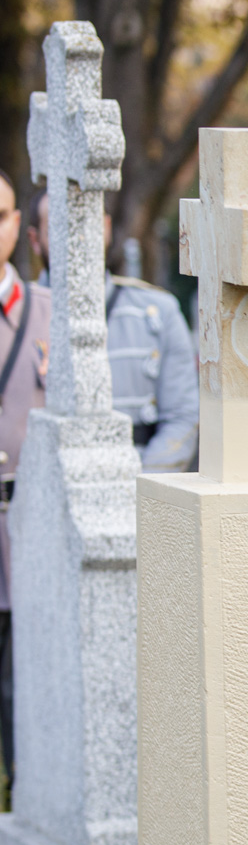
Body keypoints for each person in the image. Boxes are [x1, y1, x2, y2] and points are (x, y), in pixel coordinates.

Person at [29, 189, 197, 472]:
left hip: (135, 493)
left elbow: (183, 418)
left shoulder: (158, 312)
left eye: (87, 222)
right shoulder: (18, 318)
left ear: (106, 226)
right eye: (59, 226)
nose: (76, 237)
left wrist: (136, 495)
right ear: (35, 240)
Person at [0, 170, 47, 786]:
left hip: (33, 522)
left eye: (1, 213)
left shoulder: (53, 314)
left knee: (34, 681)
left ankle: (29, 791)